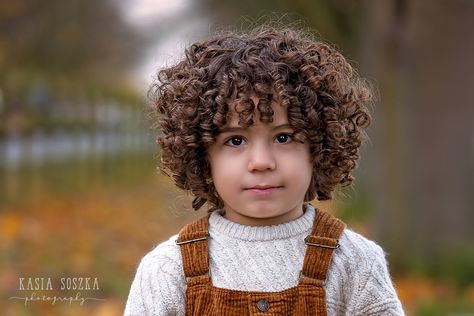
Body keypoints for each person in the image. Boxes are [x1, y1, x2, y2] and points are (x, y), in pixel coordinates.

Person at [124, 24, 405, 315]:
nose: (261, 161)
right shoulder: (168, 271)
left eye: (283, 137)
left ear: (320, 146)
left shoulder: (355, 263)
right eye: (235, 140)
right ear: (202, 155)